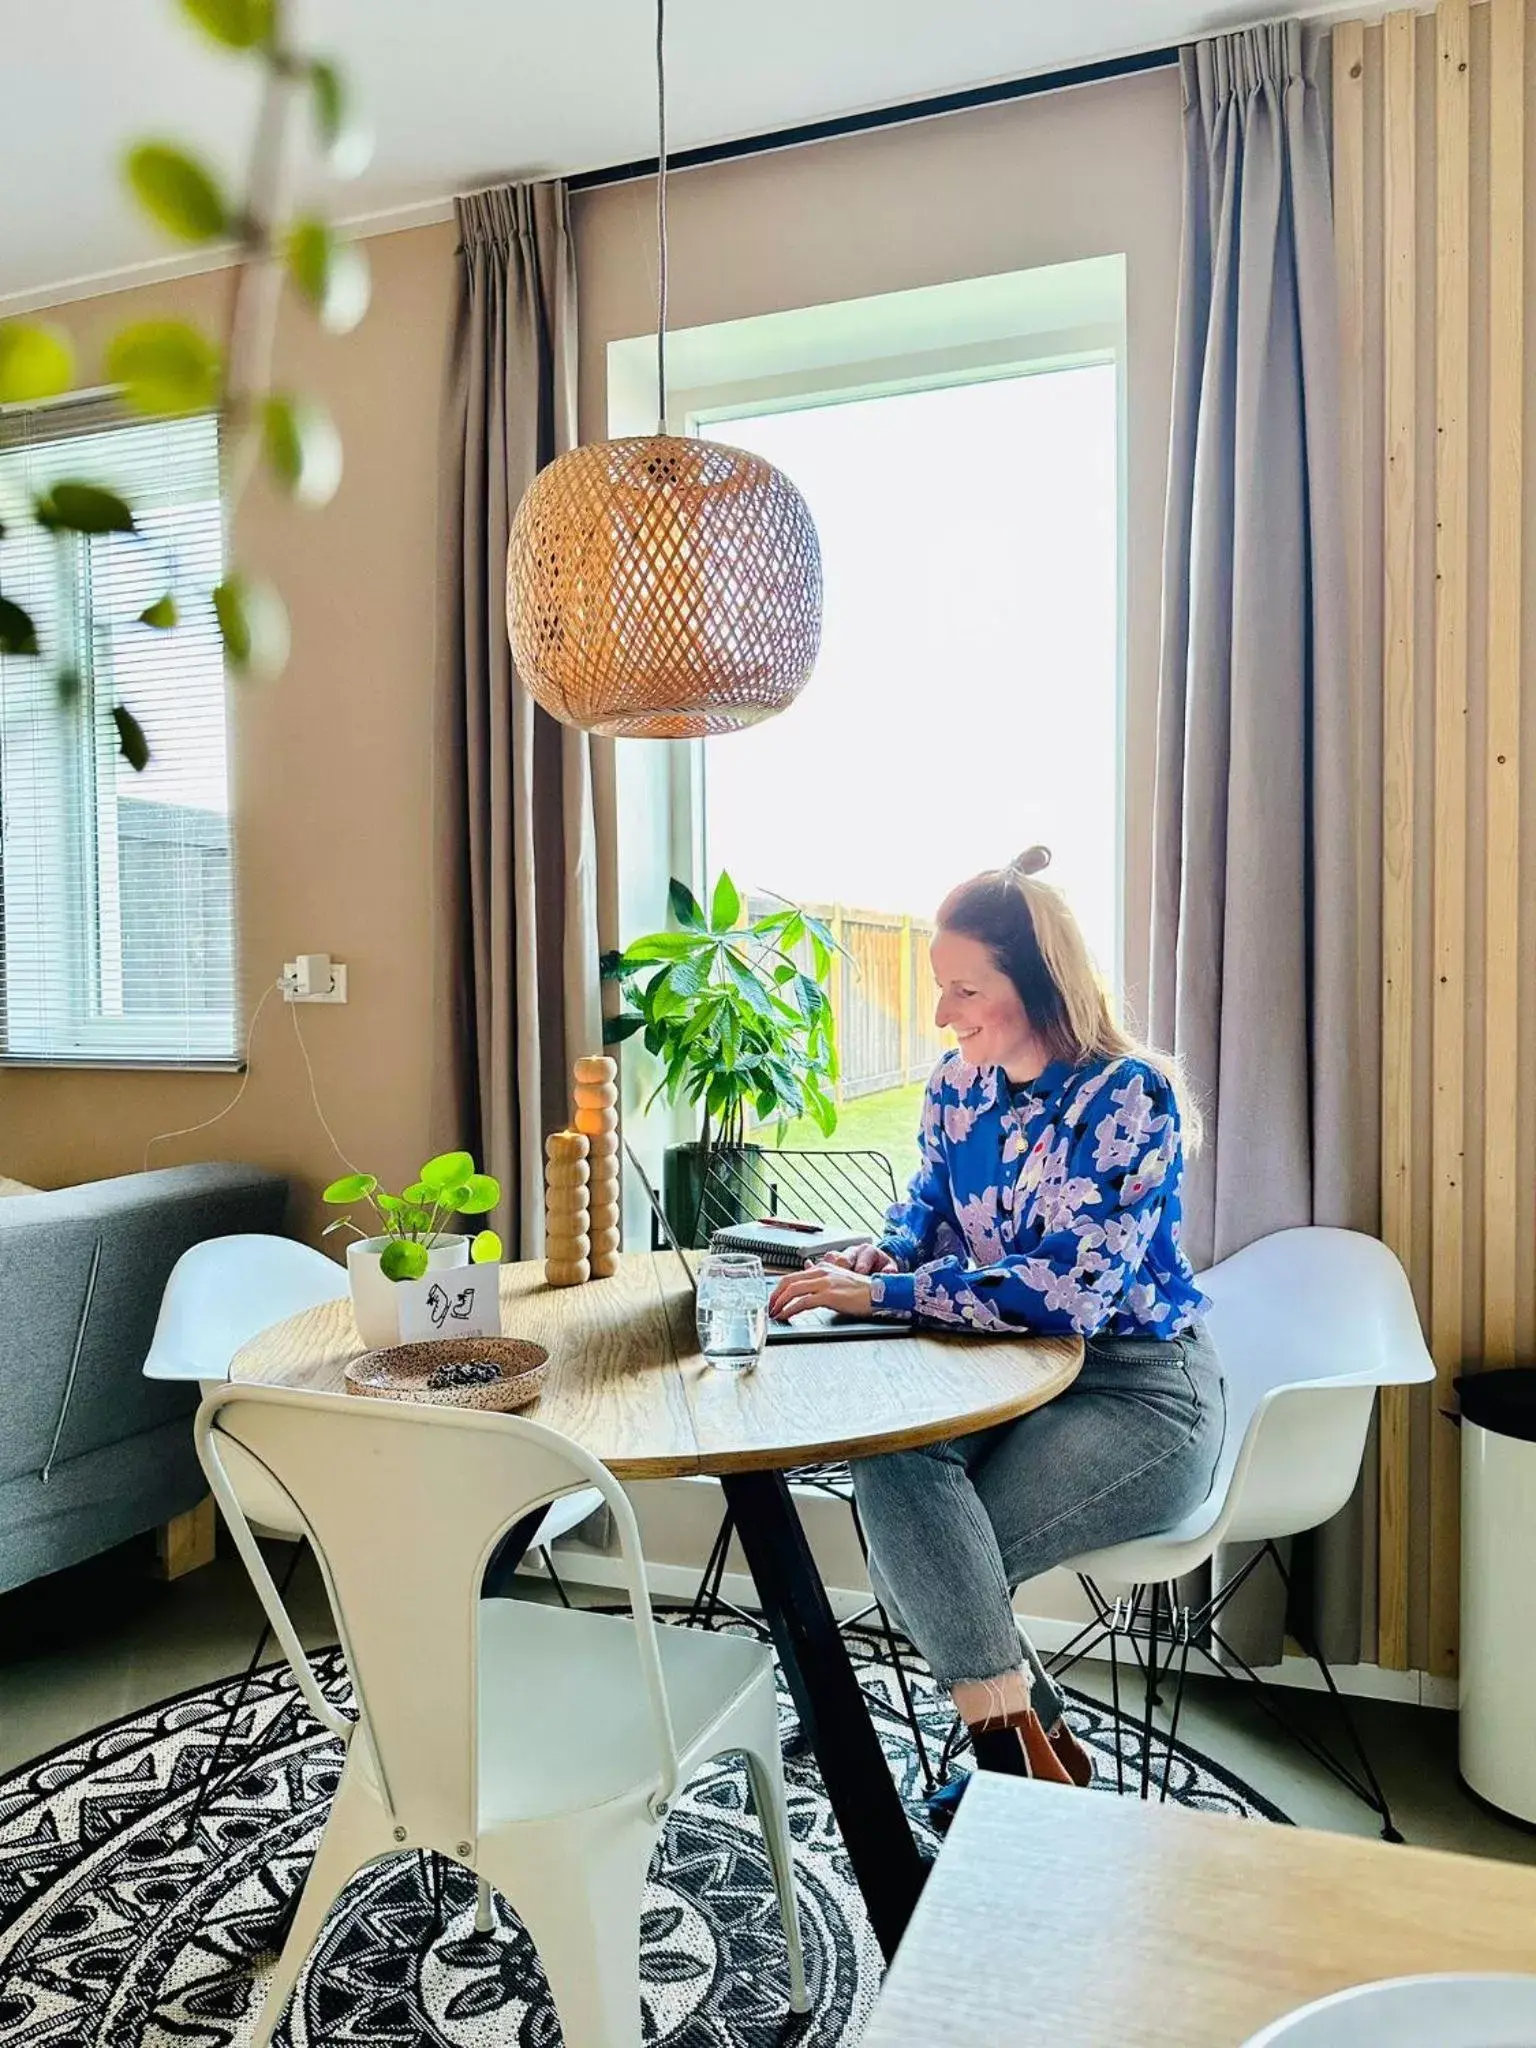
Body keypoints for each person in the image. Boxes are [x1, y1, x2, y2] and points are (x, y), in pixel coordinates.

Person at [768, 847, 1225, 1815]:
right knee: (892, 1466)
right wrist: (880, 1261)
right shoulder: (955, 1087)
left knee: (927, 1565)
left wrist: (889, 1301)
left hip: (1141, 1391)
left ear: (1041, 982)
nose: (943, 1012)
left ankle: (1016, 1778)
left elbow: (1069, 1294)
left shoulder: (1128, 1097)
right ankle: (1037, 1759)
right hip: (1001, 1376)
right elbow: (926, 1211)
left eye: (965, 987)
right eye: (942, 988)